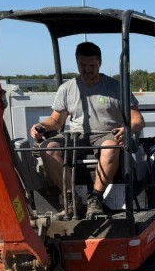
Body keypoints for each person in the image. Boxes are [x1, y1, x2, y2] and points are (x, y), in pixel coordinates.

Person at [29, 41, 145, 217]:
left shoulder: (116, 88)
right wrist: (41, 126)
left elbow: (137, 119)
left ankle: (95, 198)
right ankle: (72, 199)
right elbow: (56, 120)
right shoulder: (67, 89)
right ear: (77, 62)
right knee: (48, 148)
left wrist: (129, 129)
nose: (87, 70)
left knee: (110, 148)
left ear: (100, 63)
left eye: (92, 66)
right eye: (83, 65)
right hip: (77, 136)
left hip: (107, 134)